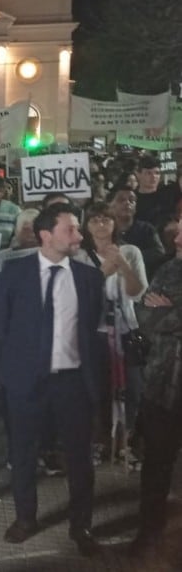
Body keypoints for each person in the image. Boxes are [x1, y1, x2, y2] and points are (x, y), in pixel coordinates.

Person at [0, 203, 104, 556]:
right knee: (23, 454)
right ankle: (26, 518)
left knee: (79, 457)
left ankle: (81, 524)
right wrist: (13, 372)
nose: (79, 236)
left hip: (72, 382)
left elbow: (91, 330)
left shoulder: (89, 278)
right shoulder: (13, 273)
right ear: (46, 234)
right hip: (26, 382)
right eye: (70, 229)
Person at [74, 202, 147, 461]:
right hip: (97, 332)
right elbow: (82, 296)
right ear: (87, 225)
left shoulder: (131, 251)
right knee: (99, 389)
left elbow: (137, 293)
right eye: (95, 220)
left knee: (132, 388)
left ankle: (126, 440)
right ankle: (102, 440)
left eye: (106, 219)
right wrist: (104, 271)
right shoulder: (79, 256)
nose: (101, 224)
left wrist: (123, 265)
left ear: (115, 223)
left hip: (126, 329)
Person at [131, 222, 182, 557]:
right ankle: (149, 531)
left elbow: (159, 316)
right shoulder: (168, 269)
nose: (176, 238)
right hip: (162, 385)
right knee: (156, 465)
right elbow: (145, 317)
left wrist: (169, 311)